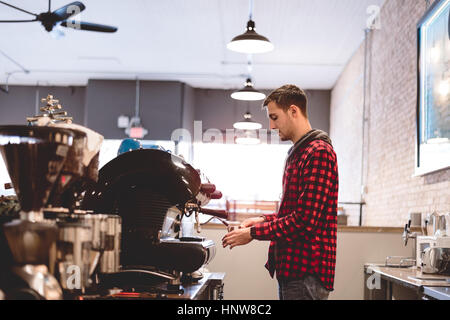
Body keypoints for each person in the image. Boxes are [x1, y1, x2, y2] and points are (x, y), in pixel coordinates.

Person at [222, 85, 338, 300]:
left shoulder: (319, 152)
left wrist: (252, 234)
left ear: (294, 111)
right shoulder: (299, 152)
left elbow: (304, 221)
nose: (271, 125)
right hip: (294, 270)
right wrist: (260, 220)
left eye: (274, 117)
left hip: (306, 271)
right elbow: (293, 213)